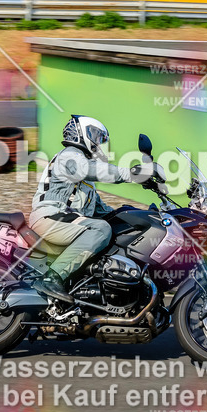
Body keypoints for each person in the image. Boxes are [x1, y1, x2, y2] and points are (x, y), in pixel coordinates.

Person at [29, 115, 150, 302]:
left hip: (66, 220)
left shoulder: (84, 181)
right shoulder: (70, 155)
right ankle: (51, 278)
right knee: (101, 229)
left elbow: (102, 211)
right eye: (95, 135)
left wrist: (139, 214)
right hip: (51, 217)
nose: (98, 142)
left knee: (109, 225)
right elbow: (94, 169)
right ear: (80, 133)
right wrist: (132, 174)